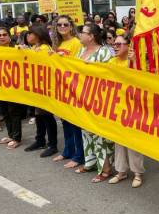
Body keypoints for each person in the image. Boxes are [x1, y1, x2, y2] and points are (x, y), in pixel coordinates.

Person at [75, 23, 114, 183]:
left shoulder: (104, 52)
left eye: (82, 33)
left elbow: (108, 75)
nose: (79, 35)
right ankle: (90, 162)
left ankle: (105, 168)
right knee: (86, 131)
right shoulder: (80, 51)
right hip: (82, 98)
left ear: (91, 36)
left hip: (98, 99)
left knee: (100, 134)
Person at [107, 33, 145, 187]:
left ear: (128, 46)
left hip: (133, 106)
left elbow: (142, 82)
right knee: (119, 140)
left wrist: (134, 62)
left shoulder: (136, 62)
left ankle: (137, 173)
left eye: (119, 44)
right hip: (117, 105)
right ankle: (121, 171)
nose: (115, 46)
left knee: (133, 141)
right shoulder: (111, 61)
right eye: (114, 44)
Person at [51, 15, 84, 169]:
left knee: (75, 123)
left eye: (65, 24)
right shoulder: (58, 43)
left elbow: (77, 65)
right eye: (59, 24)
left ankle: (79, 156)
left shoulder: (76, 43)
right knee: (65, 122)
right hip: (61, 88)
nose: (62, 27)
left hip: (73, 88)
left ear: (71, 26)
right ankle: (68, 151)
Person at [23, 25, 58, 158]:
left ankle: (52, 144)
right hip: (36, 87)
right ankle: (40, 140)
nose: (28, 36)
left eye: (30, 33)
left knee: (47, 116)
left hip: (45, 88)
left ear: (38, 35)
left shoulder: (44, 48)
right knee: (38, 115)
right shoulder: (33, 48)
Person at [0, 27, 25, 148]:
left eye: (4, 34)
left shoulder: (16, 48)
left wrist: (23, 50)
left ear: (9, 36)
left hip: (14, 86)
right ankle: (11, 135)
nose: (2, 37)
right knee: (5, 112)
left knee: (14, 111)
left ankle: (17, 138)